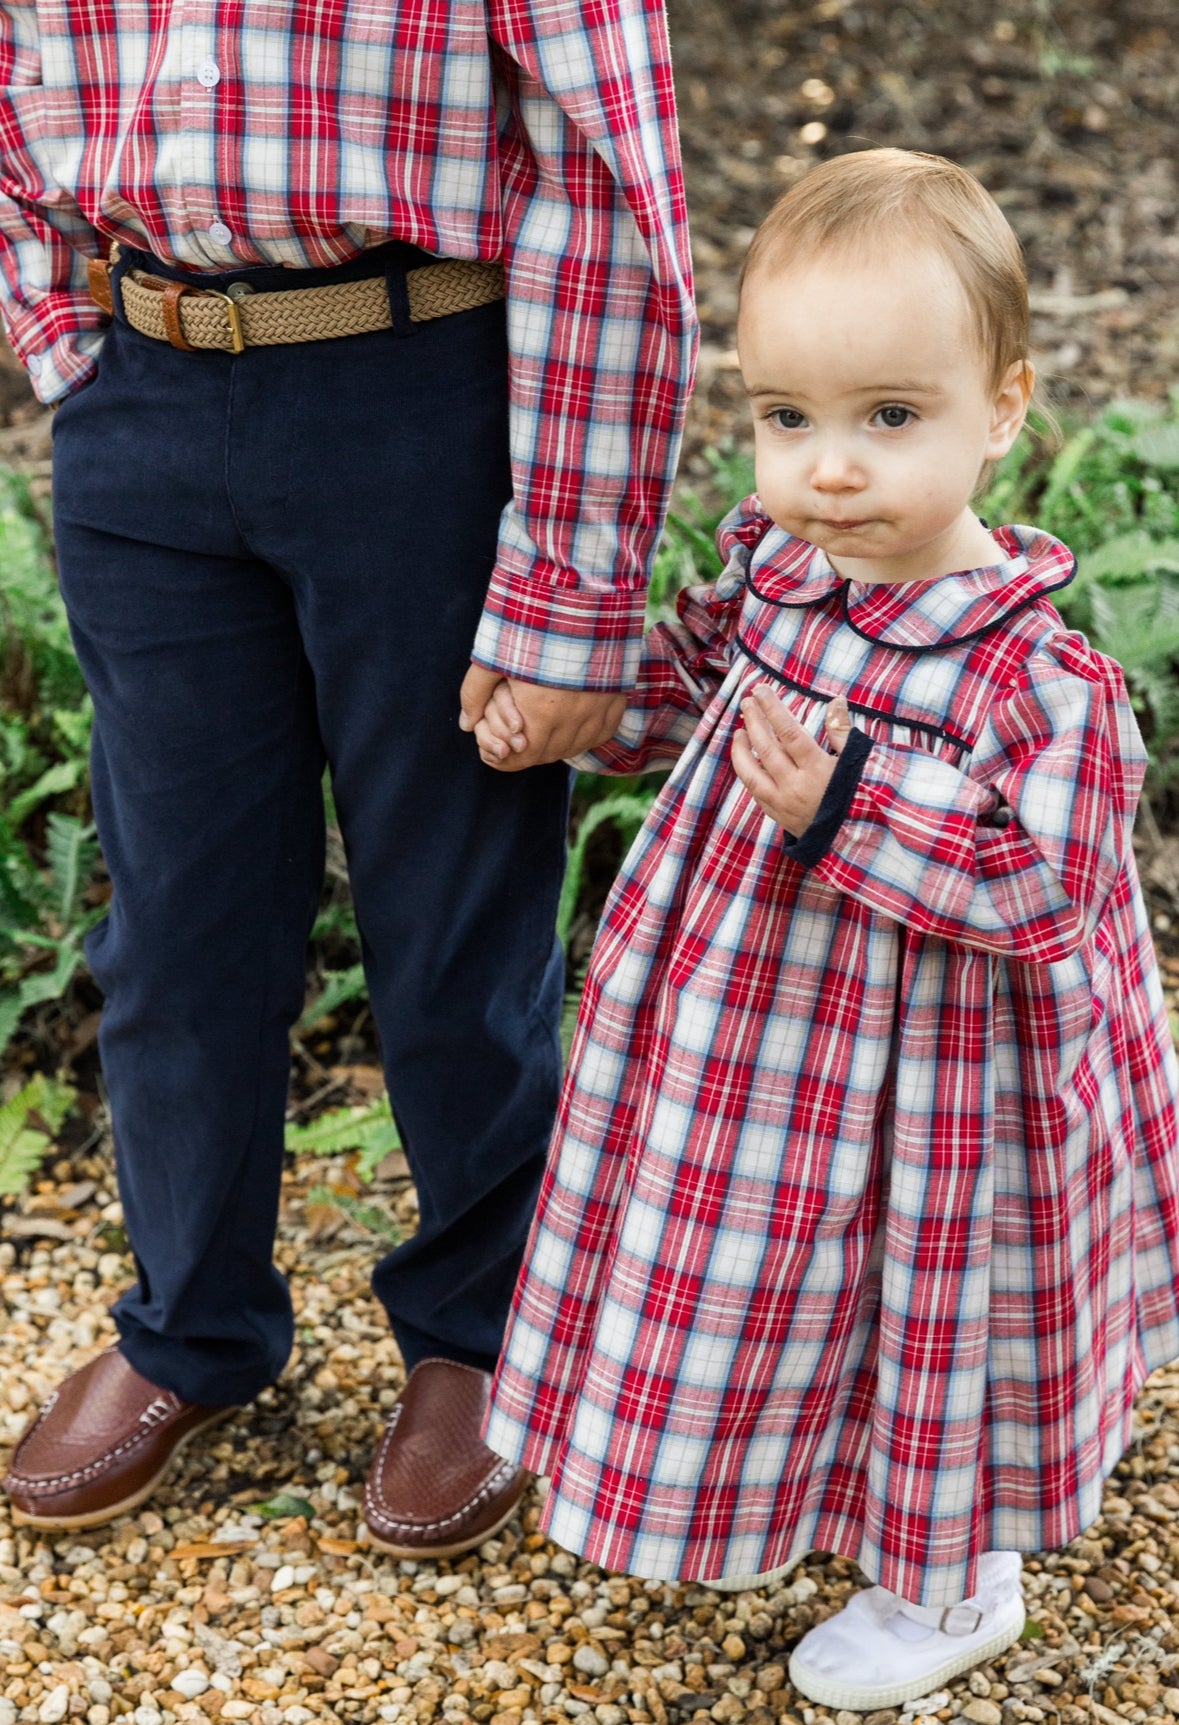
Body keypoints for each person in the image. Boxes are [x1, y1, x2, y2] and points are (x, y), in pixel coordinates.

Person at [478, 148, 1179, 1707]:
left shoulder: (1036, 683)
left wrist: (852, 802)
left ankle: (953, 1580)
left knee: (936, 1297)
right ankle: (808, 1484)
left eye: (890, 419)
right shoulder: (783, 575)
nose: (831, 469)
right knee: (788, 1281)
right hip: (763, 1053)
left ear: (1004, 407)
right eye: (788, 419)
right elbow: (691, 683)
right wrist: (582, 710)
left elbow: (1044, 888)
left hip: (948, 1087)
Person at [0, 0, 696, 1554]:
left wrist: (574, 589)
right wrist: (65, 336)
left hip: (420, 391)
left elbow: (601, 175)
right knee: (175, 911)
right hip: (148, 397)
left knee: (452, 906)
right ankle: (194, 1321)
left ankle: (480, 1326)